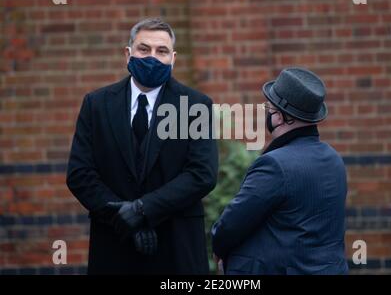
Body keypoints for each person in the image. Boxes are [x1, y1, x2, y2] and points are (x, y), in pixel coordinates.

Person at [66, 18, 218, 274]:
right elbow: (80, 174)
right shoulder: (96, 104)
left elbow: (202, 174)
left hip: (176, 247)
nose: (152, 57)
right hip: (114, 245)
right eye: (143, 49)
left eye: (162, 51)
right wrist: (125, 219)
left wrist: (142, 210)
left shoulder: (195, 105)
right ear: (128, 54)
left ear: (173, 58)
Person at [211, 67, 348, 275]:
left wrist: (219, 248)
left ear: (281, 117)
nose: (268, 115)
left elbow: (230, 226)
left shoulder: (274, 165)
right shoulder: (334, 159)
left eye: (270, 109)